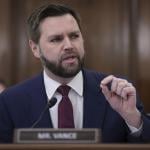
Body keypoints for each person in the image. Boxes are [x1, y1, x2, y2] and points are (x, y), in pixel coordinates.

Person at [0, 3, 150, 143]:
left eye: (74, 36)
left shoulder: (117, 91)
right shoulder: (10, 101)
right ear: (35, 48)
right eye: (56, 39)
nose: (69, 45)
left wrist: (132, 118)